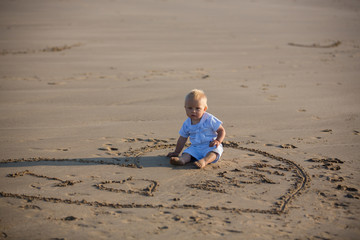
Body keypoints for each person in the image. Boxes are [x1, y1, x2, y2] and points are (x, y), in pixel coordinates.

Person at [167, 89, 226, 169]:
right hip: (196, 147)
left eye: (197, 108)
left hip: (210, 145)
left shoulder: (209, 119)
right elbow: (182, 138)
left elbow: (221, 130)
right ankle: (182, 160)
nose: (193, 111)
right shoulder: (187, 123)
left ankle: (204, 161)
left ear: (204, 109)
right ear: (185, 108)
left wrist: (218, 140)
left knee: (214, 152)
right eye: (190, 108)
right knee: (188, 153)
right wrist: (177, 152)